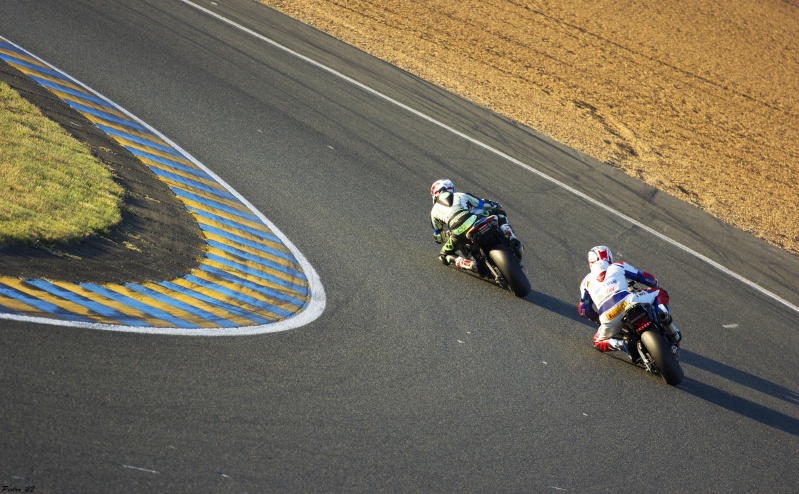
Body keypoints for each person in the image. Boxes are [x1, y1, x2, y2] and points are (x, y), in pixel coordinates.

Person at [577, 245, 682, 356]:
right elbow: (645, 278)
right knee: (660, 292)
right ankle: (665, 320)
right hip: (628, 301)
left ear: (591, 262)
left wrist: (598, 319)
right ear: (609, 257)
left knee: (597, 341)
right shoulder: (618, 266)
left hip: (608, 316)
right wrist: (654, 282)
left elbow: (583, 310)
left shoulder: (585, 282)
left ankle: (622, 344)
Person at [429, 179, 522, 273]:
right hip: (474, 221)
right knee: (499, 213)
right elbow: (482, 204)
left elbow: (439, 237)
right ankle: (511, 237)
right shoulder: (461, 195)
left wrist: (448, 235)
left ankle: (470, 265)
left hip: (457, 234)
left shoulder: (433, 212)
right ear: (451, 188)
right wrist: (496, 205)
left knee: (443, 255)